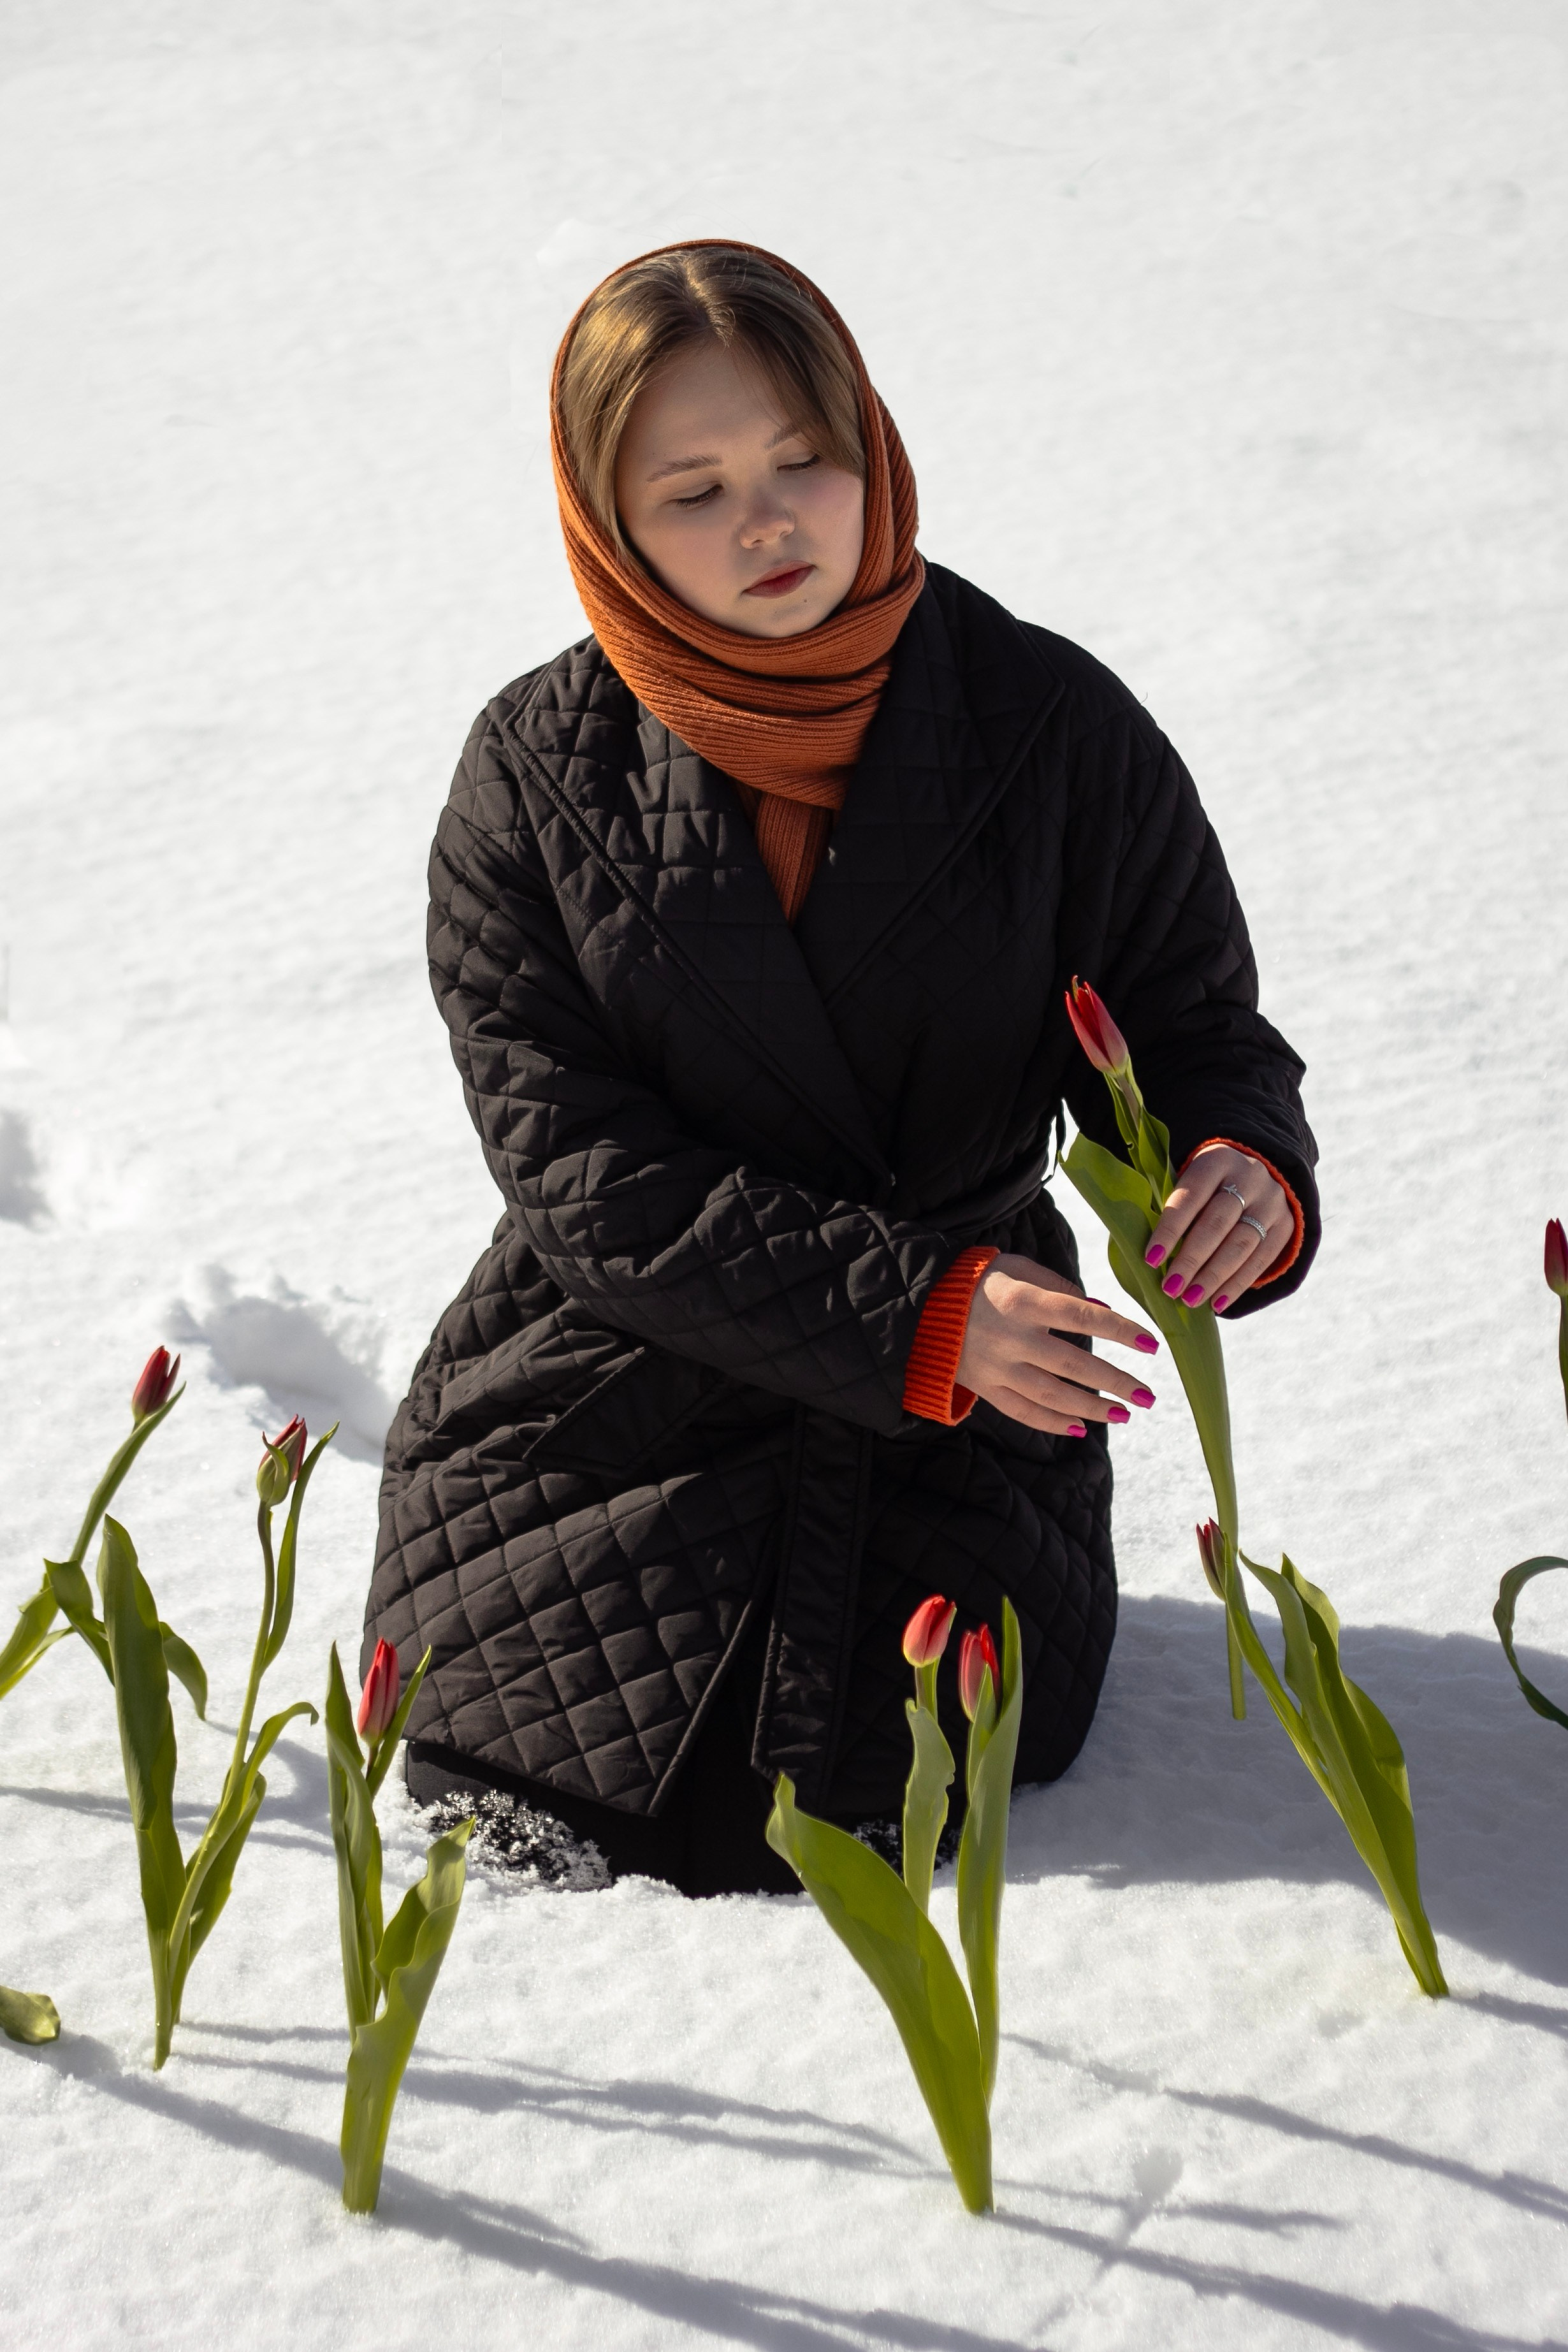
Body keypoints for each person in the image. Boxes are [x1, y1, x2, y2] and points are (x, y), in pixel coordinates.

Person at [363, 240, 1318, 1896]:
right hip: (600, 1404)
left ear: (867, 439)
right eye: (693, 488)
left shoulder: (1049, 726)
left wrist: (1235, 1160)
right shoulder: (532, 772)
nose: (769, 521)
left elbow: (1185, 1023)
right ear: (602, 512)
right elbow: (581, 1175)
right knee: (541, 1770)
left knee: (906, 1772)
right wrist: (918, 1315)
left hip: (966, 1446)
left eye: (803, 457)